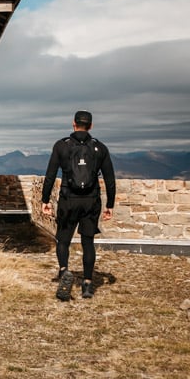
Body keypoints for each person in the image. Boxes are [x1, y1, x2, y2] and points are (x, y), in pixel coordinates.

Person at [41, 110, 116, 300]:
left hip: (68, 199)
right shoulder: (100, 148)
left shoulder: (61, 146)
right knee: (88, 242)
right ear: (90, 126)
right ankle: (88, 284)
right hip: (91, 201)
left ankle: (64, 270)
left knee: (63, 240)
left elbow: (50, 175)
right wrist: (110, 205)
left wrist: (45, 200)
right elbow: (110, 179)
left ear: (73, 124)